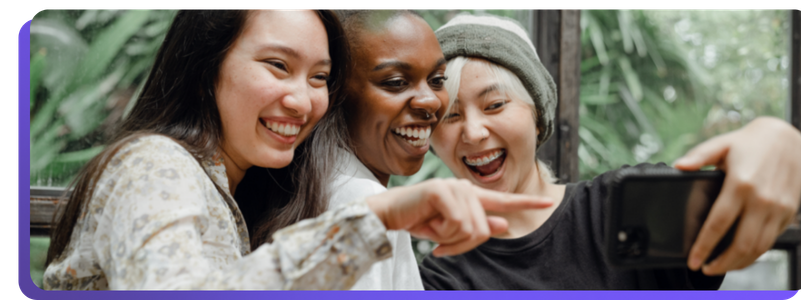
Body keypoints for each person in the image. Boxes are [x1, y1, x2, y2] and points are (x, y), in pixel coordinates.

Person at [42, 9, 552, 290]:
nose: (302, 98)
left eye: (320, 77)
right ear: (206, 70)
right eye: (278, 66)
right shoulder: (156, 164)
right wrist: (377, 220)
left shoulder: (241, 192)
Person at [419, 13, 801, 290]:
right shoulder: (440, 277)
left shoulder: (628, 205)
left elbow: (750, 190)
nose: (472, 131)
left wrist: (781, 141)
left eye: (495, 104)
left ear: (537, 118)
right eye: (449, 116)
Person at [236, 9, 448, 290]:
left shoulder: (296, 187)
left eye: (438, 80)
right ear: (334, 92)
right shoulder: (365, 204)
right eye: (396, 82)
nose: (430, 100)